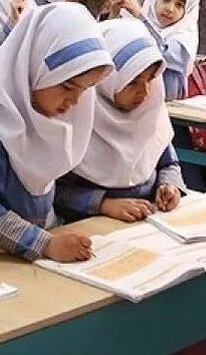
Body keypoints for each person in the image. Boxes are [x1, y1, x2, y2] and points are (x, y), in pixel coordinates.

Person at [0, 3, 112, 261]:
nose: (75, 102)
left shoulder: (52, 117)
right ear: (34, 66)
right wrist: (45, 244)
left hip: (40, 256)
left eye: (85, 89)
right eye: (68, 86)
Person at [54, 19, 185, 222]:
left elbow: (168, 161)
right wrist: (103, 204)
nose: (145, 92)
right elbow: (55, 190)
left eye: (150, 79)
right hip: (92, 226)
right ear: (105, 80)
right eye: (132, 82)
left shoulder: (150, 113)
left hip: (149, 221)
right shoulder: (72, 120)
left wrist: (169, 184)